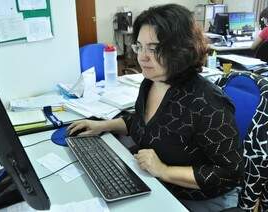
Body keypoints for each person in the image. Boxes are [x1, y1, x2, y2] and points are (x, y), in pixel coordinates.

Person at [68, 4, 243, 211]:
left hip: (197, 199)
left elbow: (229, 173)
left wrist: (164, 170)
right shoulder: (151, 82)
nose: (142, 57)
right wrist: (102, 125)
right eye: (139, 46)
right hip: (156, 183)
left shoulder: (207, 103)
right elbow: (143, 123)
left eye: (153, 48)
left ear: (181, 49)